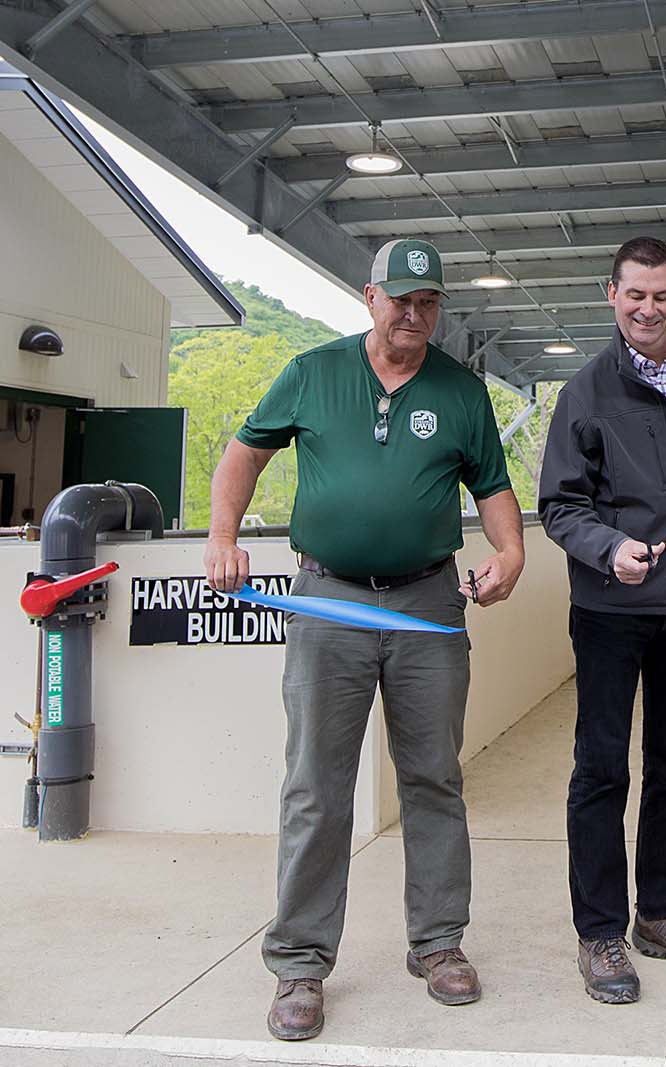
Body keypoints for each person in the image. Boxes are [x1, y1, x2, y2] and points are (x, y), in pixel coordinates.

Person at [204, 238, 525, 1041]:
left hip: (426, 602)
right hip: (329, 600)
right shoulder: (313, 371)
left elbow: (492, 488)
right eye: (401, 299)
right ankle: (301, 963)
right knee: (315, 784)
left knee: (434, 779)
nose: (414, 314)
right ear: (369, 297)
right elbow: (243, 452)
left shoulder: (460, 391)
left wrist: (512, 552)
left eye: (429, 302)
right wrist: (222, 536)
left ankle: (439, 943)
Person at [538, 237, 666, 1005]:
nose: (648, 309)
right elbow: (559, 503)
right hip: (611, 609)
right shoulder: (585, 390)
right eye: (635, 295)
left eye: (662, 295)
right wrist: (608, 546)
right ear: (610, 295)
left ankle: (662, 912)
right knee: (600, 769)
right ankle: (599, 933)